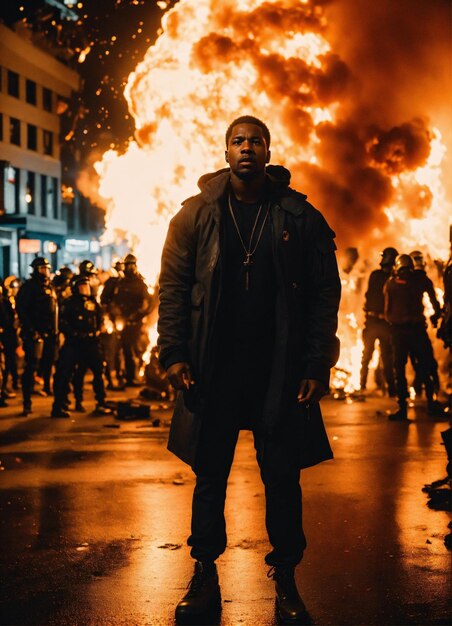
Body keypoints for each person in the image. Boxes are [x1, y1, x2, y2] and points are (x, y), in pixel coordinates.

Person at [157, 116, 341, 625]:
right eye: (237, 141)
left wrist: (316, 363)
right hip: (212, 372)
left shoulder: (298, 217)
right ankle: (204, 572)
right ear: (225, 151)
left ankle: (286, 579)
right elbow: (171, 288)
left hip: (277, 372)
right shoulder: (195, 216)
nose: (246, 149)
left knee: (282, 478)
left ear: (268, 151)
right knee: (209, 475)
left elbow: (326, 293)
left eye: (255, 141)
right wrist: (173, 354)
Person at [384, 254, 444, 421]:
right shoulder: (419, 280)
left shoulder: (391, 283)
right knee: (424, 366)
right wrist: (435, 316)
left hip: (401, 331)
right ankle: (430, 403)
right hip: (414, 330)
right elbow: (433, 299)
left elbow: (387, 310)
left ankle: (403, 407)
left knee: (402, 368)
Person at [51, 276, 111, 418]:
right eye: (82, 287)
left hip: (91, 343)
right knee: (64, 373)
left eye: (87, 286)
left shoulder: (93, 303)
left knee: (98, 370)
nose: (85, 290)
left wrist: (99, 330)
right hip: (74, 343)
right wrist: (75, 333)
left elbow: (100, 319)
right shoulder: (69, 304)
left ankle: (101, 402)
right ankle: (59, 405)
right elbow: (63, 322)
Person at [16, 257, 58, 415]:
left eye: (46, 268)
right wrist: (31, 330)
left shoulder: (50, 286)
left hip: (50, 333)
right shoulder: (29, 287)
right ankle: (27, 402)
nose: (45, 271)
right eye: (42, 269)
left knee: (49, 363)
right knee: (31, 366)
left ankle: (48, 388)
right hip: (34, 334)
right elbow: (22, 310)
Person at [359, 247, 398, 396]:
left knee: (386, 358)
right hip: (374, 321)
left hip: (382, 323)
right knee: (369, 355)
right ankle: (363, 385)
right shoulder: (380, 277)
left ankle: (390, 389)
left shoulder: (391, 278)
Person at [111, 254, 152, 386]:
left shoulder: (140, 284)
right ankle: (123, 376)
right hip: (121, 322)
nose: (130, 267)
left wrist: (137, 315)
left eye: (132, 265)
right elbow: (113, 301)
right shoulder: (120, 283)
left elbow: (146, 304)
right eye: (128, 265)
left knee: (135, 350)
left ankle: (135, 375)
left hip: (136, 323)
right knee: (121, 349)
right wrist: (116, 313)